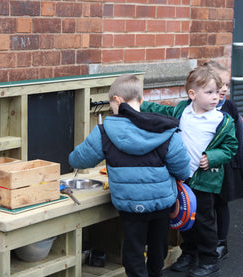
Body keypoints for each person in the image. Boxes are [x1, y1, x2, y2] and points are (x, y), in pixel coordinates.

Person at [69, 74, 191, 277]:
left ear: (117, 100)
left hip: (130, 205)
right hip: (162, 203)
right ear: (141, 101)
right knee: (158, 246)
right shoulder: (165, 130)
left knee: (133, 249)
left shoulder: (104, 131)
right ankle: (155, 273)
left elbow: (79, 160)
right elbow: (182, 169)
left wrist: (72, 157)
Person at [141, 66, 238, 277]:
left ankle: (209, 259)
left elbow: (231, 147)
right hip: (182, 179)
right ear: (192, 94)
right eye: (210, 92)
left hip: (205, 180)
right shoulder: (182, 111)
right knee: (186, 219)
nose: (216, 97)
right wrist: (136, 104)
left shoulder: (222, 120)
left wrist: (212, 157)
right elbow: (160, 110)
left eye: (218, 91)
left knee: (204, 221)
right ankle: (189, 253)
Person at [204, 60, 243, 261]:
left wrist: (237, 165)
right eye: (219, 84)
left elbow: (237, 139)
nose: (223, 89)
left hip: (226, 166)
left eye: (227, 85)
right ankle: (201, 243)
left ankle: (221, 243)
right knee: (204, 205)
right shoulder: (199, 107)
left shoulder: (229, 107)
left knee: (221, 205)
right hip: (205, 165)